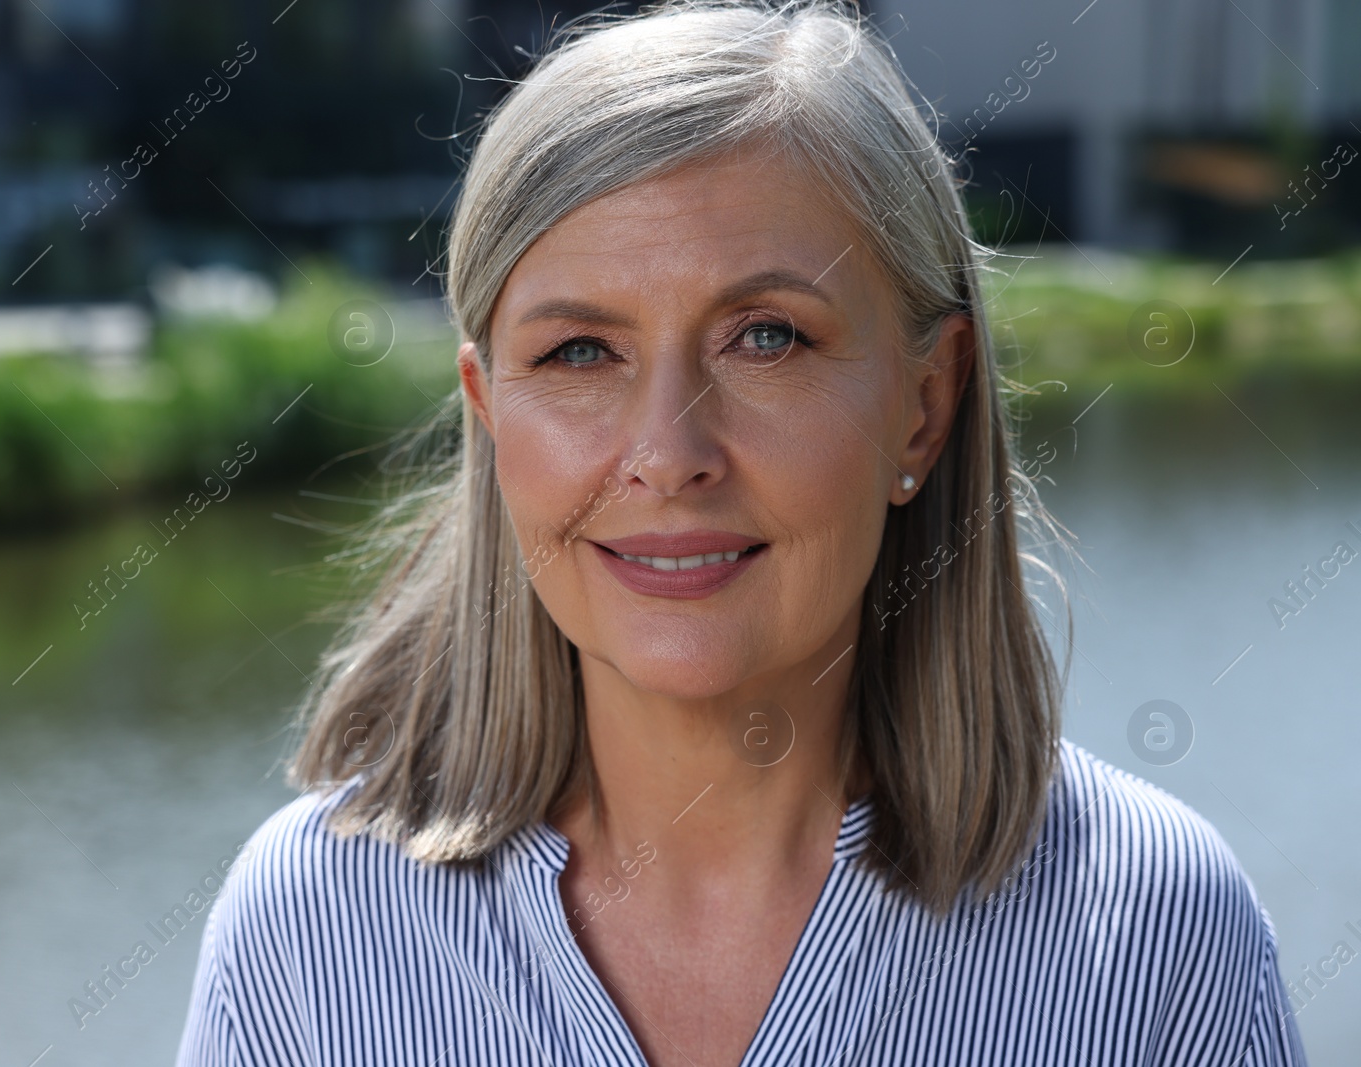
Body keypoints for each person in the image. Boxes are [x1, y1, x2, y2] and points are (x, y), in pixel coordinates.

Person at [176, 2, 1308, 1063]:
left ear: (924, 401)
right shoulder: (309, 939)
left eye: (765, 337)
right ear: (488, 417)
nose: (668, 453)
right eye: (579, 351)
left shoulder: (1155, 936)